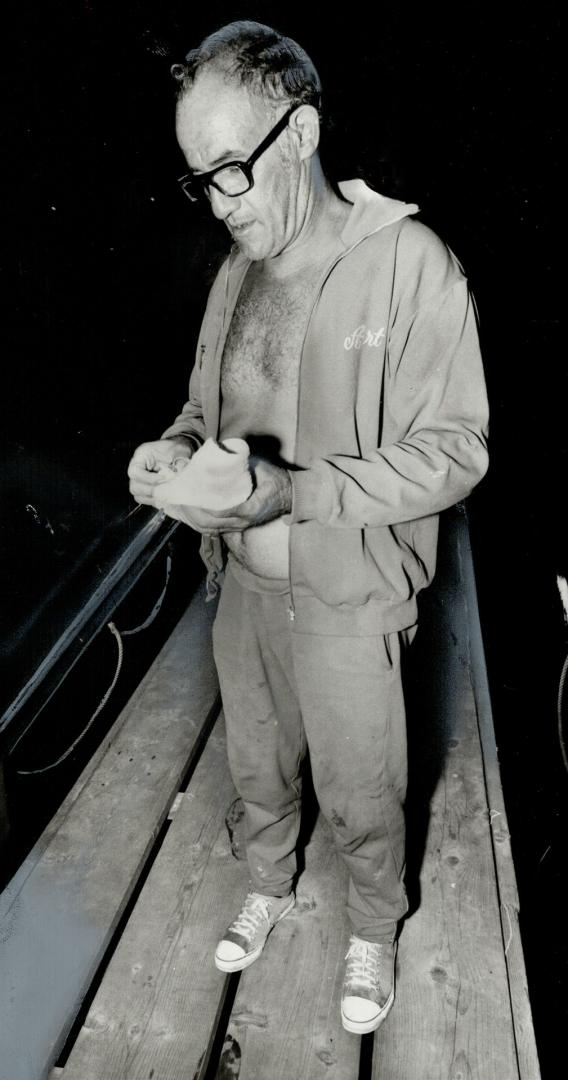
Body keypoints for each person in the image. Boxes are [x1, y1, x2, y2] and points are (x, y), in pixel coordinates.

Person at [128, 20, 489, 1035]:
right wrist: (172, 448)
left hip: (350, 593)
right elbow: (210, 409)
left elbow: (457, 450)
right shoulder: (238, 269)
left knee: (363, 780)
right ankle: (267, 875)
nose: (220, 201)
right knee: (255, 758)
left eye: (232, 167)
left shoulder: (409, 262)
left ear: (300, 132)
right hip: (243, 584)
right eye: (201, 179)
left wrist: (295, 494)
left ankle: (374, 924)